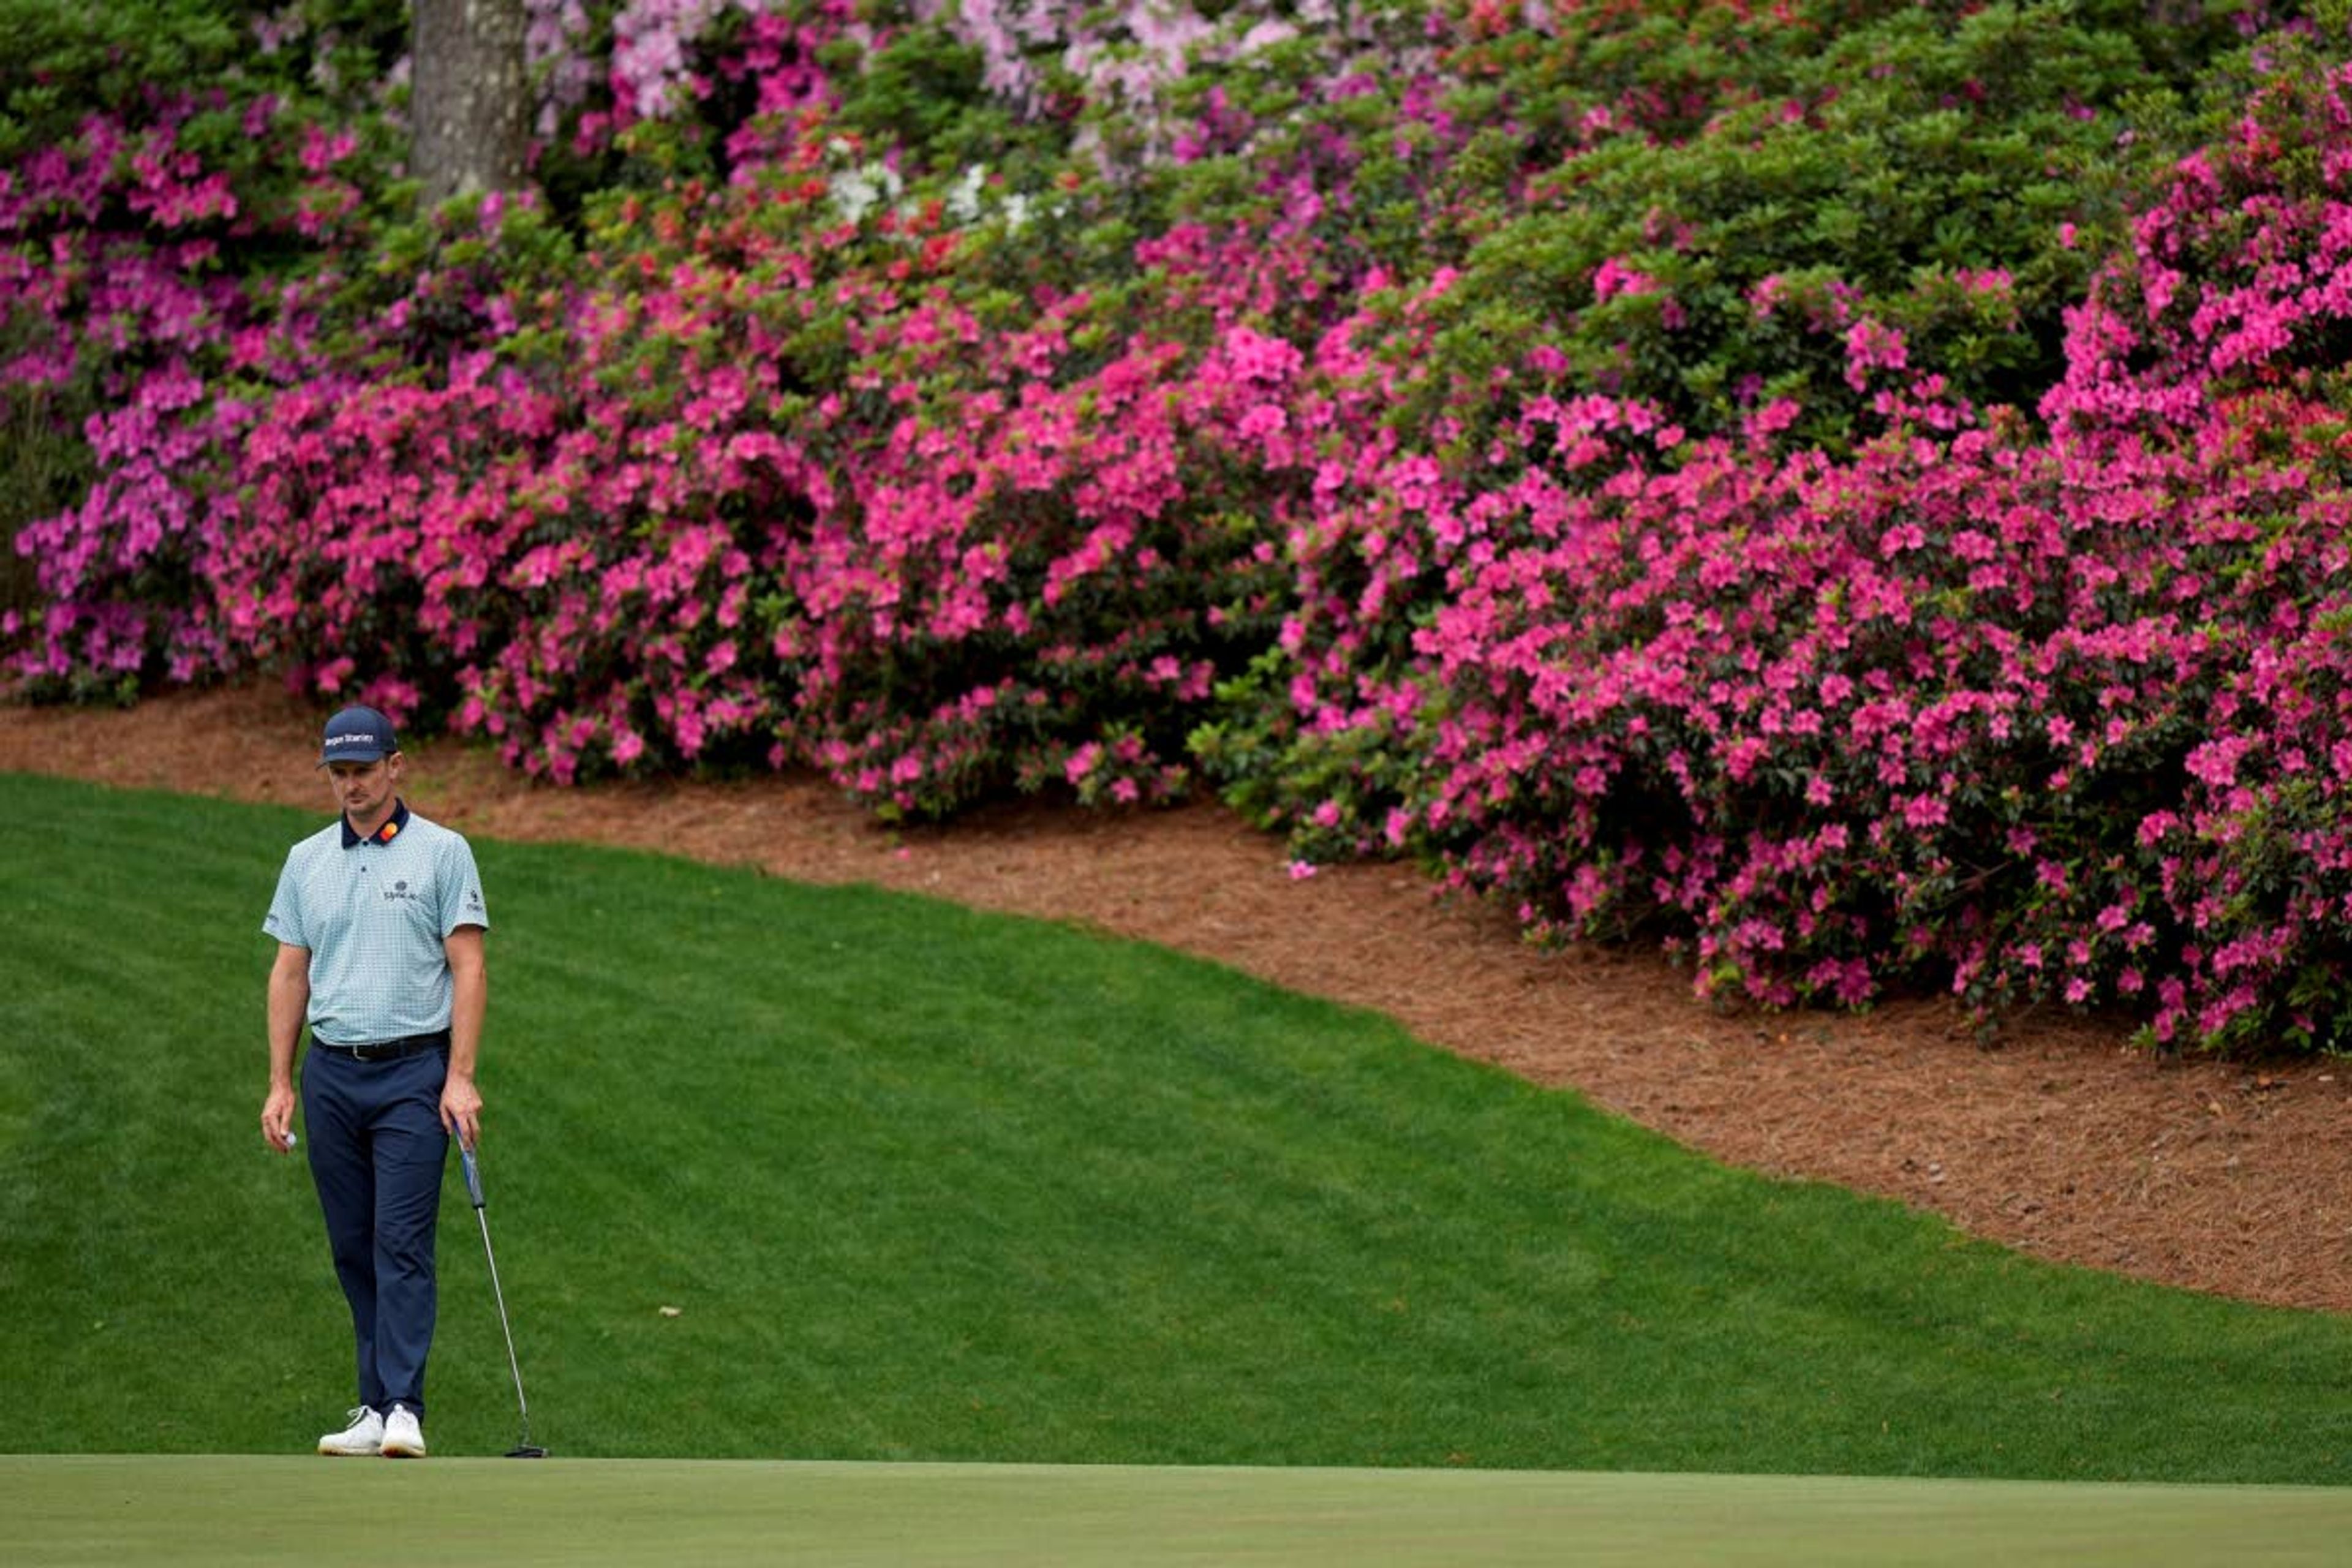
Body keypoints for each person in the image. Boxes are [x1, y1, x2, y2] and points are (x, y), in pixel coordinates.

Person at [258, 704, 489, 1459]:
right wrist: (279, 1082)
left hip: (413, 1074)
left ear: (397, 766)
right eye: (339, 774)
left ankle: (404, 1406)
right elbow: (291, 970)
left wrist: (459, 1078)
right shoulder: (306, 861)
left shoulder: (442, 853)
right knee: (353, 1246)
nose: (350, 787)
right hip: (331, 1073)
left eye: (362, 771)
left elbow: (469, 966)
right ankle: (371, 1404)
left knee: (402, 1241)